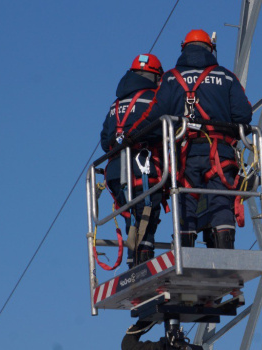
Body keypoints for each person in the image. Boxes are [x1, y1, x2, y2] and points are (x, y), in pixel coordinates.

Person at [142, 29, 252, 249]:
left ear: (184, 48)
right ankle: (224, 252)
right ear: (210, 49)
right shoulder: (227, 76)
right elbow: (244, 115)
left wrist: (138, 138)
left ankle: (185, 250)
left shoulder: (171, 78)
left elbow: (154, 116)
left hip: (185, 152)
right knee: (221, 200)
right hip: (220, 152)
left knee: (184, 199)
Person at [100, 53, 165, 268]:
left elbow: (104, 141)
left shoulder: (115, 105)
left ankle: (133, 264)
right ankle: (142, 266)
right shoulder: (155, 99)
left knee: (132, 218)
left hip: (116, 171)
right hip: (142, 167)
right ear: (155, 76)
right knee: (148, 212)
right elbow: (163, 130)